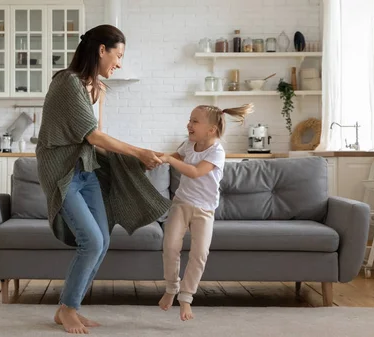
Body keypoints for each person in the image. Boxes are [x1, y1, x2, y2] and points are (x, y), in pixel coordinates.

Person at [36, 24, 167, 334]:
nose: (119, 63)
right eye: (118, 55)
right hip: (63, 173)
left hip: (87, 169)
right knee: (91, 241)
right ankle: (67, 309)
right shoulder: (67, 82)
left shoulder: (88, 86)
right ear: (101, 50)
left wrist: (100, 97)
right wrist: (139, 153)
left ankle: (69, 308)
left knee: (103, 239)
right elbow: (93, 136)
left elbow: (96, 135)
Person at [157, 104, 253, 321]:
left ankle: (186, 297)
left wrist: (170, 160)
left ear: (211, 130)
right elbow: (176, 156)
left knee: (199, 254)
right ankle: (171, 288)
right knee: (170, 246)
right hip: (181, 204)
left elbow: (195, 172)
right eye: (189, 119)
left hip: (204, 210)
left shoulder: (217, 151)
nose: (189, 124)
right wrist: (158, 158)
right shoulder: (189, 144)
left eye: (195, 121)